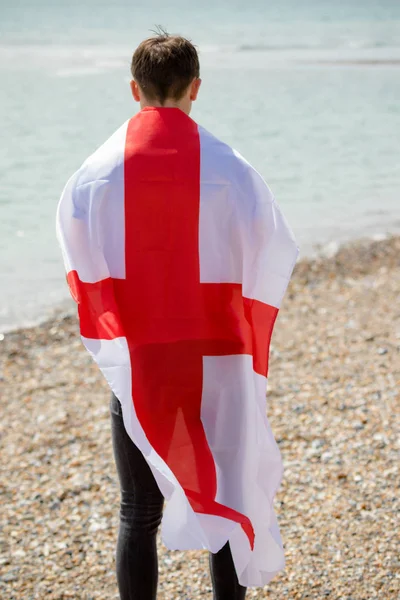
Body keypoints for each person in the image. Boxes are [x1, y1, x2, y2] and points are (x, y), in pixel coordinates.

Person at [56, 32, 299, 600]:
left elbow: (80, 263)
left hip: (143, 361)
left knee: (138, 510)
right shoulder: (235, 170)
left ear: (133, 89)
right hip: (217, 355)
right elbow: (273, 250)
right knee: (224, 496)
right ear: (196, 88)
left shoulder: (95, 173)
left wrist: (114, 330)